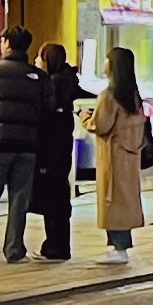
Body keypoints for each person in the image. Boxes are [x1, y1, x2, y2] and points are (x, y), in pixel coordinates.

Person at [0, 29, 59, 263]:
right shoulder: (39, 77)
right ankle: (14, 250)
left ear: (6, 44)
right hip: (27, 146)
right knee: (19, 200)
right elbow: (49, 108)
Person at [90, 45, 153, 265]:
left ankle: (118, 247)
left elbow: (101, 125)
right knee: (125, 200)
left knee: (113, 200)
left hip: (113, 157)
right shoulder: (133, 97)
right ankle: (118, 246)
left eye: (107, 59)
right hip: (131, 157)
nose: (104, 63)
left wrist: (85, 118)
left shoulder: (109, 96)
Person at [34, 40, 87, 262]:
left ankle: (55, 246)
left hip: (50, 149)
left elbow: (44, 116)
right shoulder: (68, 81)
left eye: (39, 57)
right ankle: (57, 244)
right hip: (63, 147)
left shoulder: (52, 85)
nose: (36, 61)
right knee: (59, 196)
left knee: (52, 198)